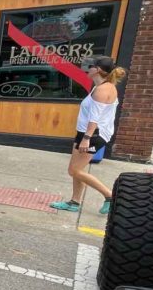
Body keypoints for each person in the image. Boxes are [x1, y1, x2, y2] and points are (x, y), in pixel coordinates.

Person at [50, 56, 126, 215]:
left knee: (74, 171)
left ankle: (109, 196)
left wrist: (86, 139)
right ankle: (75, 202)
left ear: (97, 70)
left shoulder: (103, 90)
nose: (86, 69)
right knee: (77, 169)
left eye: (90, 66)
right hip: (85, 133)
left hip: (93, 135)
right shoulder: (100, 86)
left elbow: (95, 118)